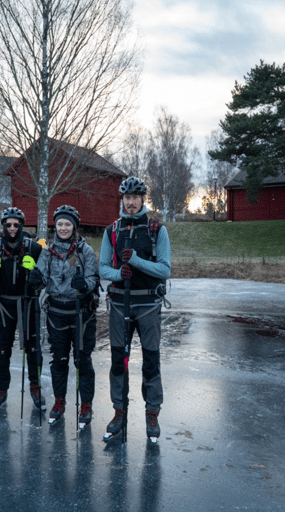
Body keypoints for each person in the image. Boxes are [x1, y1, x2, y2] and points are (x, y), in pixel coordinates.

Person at [98, 177, 171, 442]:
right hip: (119, 305)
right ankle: (119, 411)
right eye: (126, 198)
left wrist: (137, 262)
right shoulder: (112, 231)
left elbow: (165, 269)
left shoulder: (156, 230)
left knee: (151, 360)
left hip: (148, 305)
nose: (130, 202)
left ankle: (152, 413)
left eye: (135, 197)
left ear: (142, 199)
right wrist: (119, 274)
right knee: (119, 362)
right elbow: (103, 268)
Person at [28, 205, 99, 429]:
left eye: (68, 224)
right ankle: (59, 401)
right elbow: (41, 278)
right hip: (57, 313)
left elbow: (94, 279)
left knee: (82, 360)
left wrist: (85, 285)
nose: (63, 228)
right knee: (59, 360)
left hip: (81, 314)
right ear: (55, 226)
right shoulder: (47, 251)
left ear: (74, 226)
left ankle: (86, 404)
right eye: (60, 224)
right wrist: (36, 279)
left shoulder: (85, 251)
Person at [0, 207, 44, 412]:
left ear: (22, 225)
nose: (12, 228)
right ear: (3, 226)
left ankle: (35, 386)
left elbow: (44, 281)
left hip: (28, 303)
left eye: (16, 224)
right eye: (8, 225)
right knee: (2, 349)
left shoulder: (34, 248)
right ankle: (1, 390)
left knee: (33, 349)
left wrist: (34, 270)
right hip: (3, 305)